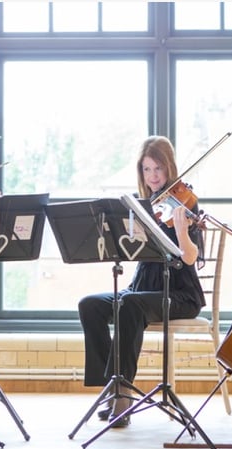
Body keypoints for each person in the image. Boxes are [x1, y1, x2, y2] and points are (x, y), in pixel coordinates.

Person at [78, 135, 205, 428]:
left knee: (130, 304)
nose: (153, 177)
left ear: (170, 168)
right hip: (143, 287)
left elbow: (189, 258)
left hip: (179, 294)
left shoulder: (185, 204)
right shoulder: (141, 205)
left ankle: (123, 393)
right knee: (90, 305)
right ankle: (109, 387)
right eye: (147, 170)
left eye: (158, 169)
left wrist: (183, 230)